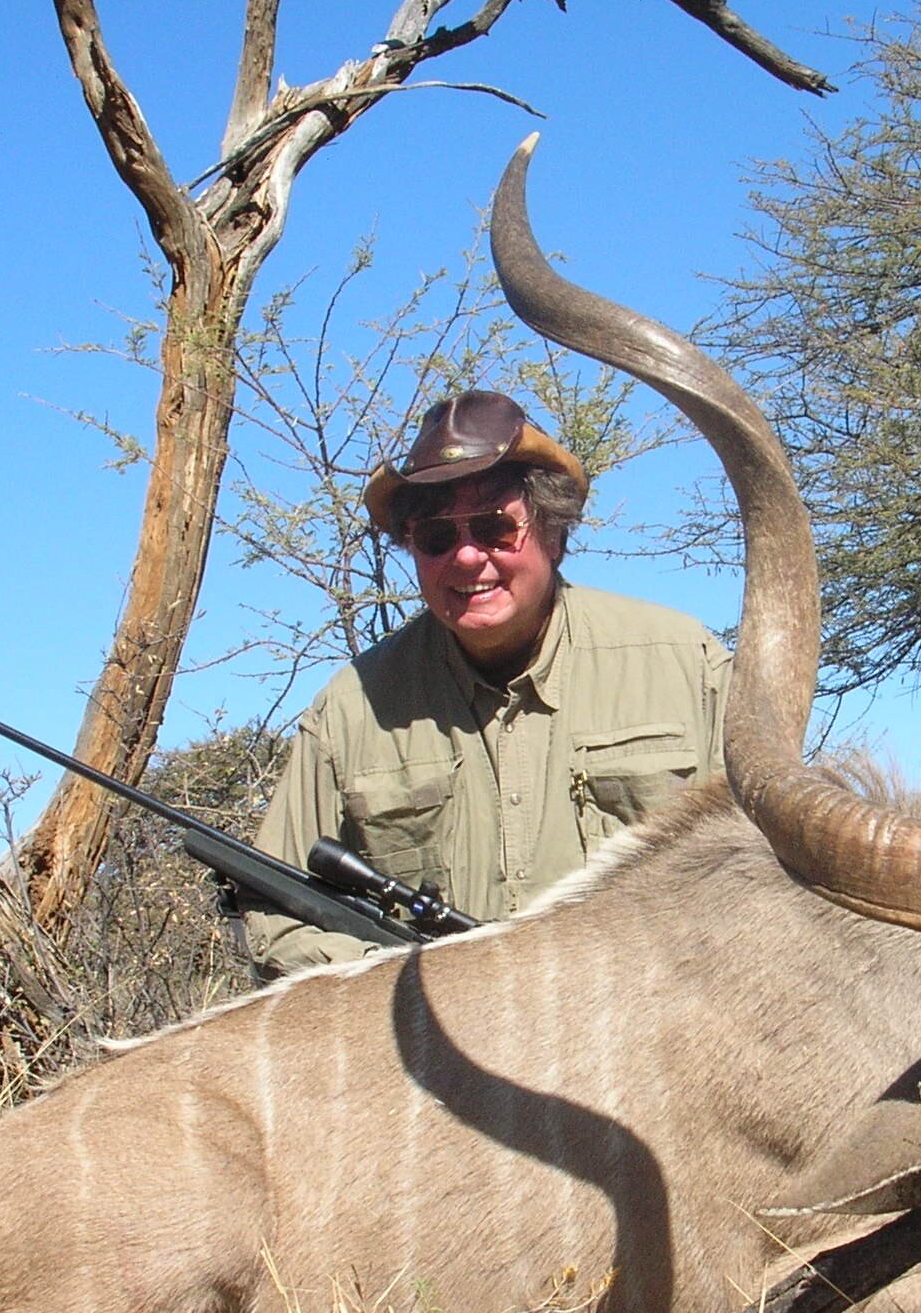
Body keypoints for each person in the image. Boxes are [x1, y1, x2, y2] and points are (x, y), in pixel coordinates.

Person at [244, 389, 730, 976]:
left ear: (552, 532)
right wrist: (397, 981)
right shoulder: (350, 709)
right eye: (436, 537)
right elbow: (276, 911)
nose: (468, 557)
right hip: (432, 1045)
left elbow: (771, 874)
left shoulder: (688, 664)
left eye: (494, 527)